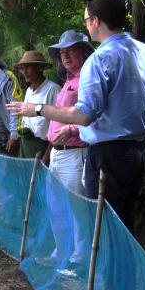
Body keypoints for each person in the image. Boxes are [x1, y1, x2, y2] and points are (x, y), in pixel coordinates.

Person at [8, 0, 145, 231]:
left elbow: (83, 115)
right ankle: (121, 268)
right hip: (138, 151)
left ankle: (107, 270)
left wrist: (38, 108)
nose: (86, 25)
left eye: (86, 20)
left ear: (96, 20)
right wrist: (131, 116)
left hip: (108, 156)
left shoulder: (100, 59)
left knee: (104, 227)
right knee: (125, 223)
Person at [44, 30, 94, 266]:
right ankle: (62, 252)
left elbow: (93, 114)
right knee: (57, 206)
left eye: (70, 50)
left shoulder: (88, 77)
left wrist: (73, 130)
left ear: (83, 51)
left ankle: (79, 259)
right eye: (61, 52)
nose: (64, 56)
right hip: (57, 153)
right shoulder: (69, 80)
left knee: (77, 209)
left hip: (76, 153)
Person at [13, 50, 59, 158]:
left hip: (43, 148)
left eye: (28, 67)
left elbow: (57, 127)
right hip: (26, 145)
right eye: (23, 68)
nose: (25, 71)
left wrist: (46, 157)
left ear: (40, 68)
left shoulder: (53, 89)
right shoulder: (29, 91)